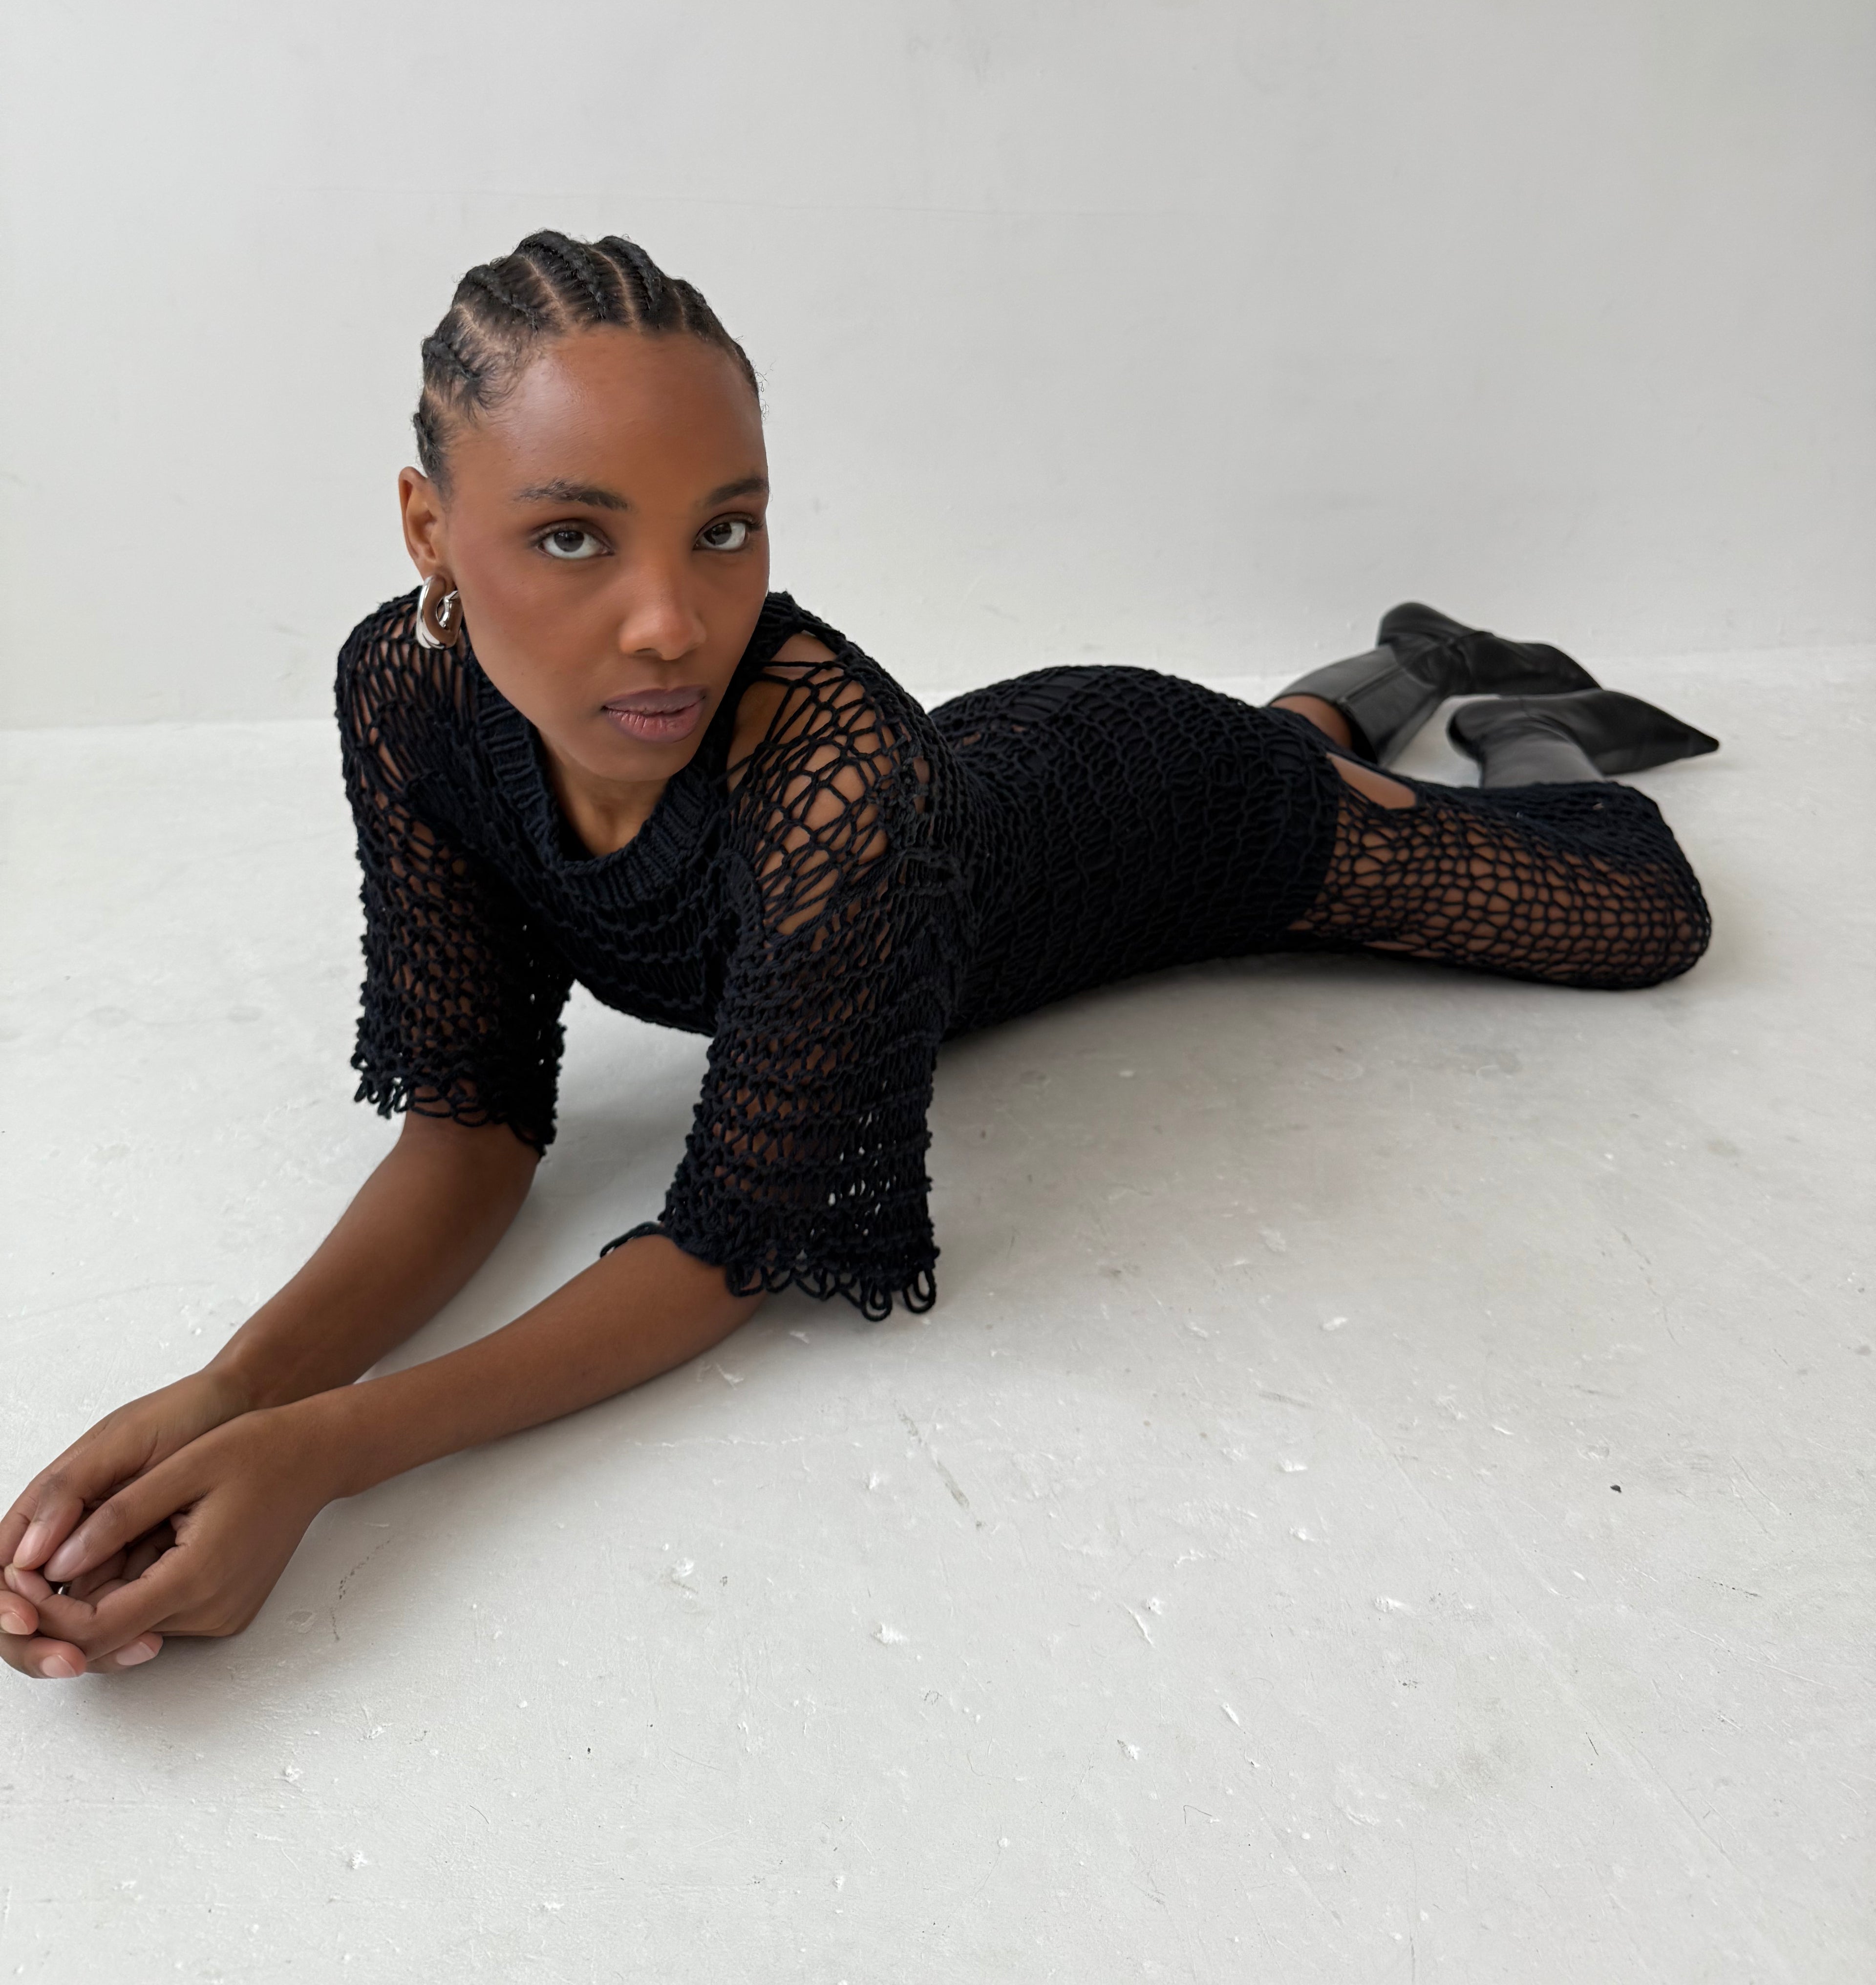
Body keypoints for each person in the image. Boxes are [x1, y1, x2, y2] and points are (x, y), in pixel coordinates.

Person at [0, 231, 1717, 1680]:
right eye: (574, 536)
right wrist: (234, 1390)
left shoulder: (841, 788)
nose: (671, 622)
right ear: (429, 531)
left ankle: (1513, 731)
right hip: (1017, 782)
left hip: (1171, 807)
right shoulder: (409, 692)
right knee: (1278, 745)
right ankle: (1396, 660)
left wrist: (326, 1453)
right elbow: (472, 1128)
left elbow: (736, 1243)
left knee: (1634, 915)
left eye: (725, 528)